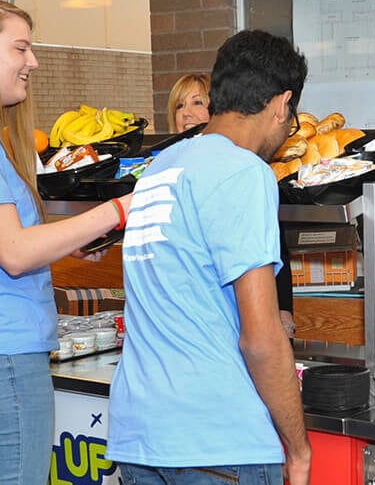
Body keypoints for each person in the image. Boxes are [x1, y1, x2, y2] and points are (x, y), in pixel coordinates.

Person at [0, 0, 131, 485]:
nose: (32, 62)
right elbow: (14, 253)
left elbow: (6, 241)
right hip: (3, 360)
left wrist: (69, 242)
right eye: (20, 48)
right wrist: (118, 209)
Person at [108, 29, 311, 484]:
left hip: (139, 435)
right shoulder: (245, 172)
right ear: (282, 104)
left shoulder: (158, 169)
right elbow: (260, 339)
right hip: (216, 439)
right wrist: (298, 451)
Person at [168, 73, 297, 338]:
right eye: (179, 106)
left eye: (196, 103)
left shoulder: (245, 169)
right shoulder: (165, 167)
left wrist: (283, 311)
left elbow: (271, 250)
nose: (186, 114)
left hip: (235, 318)